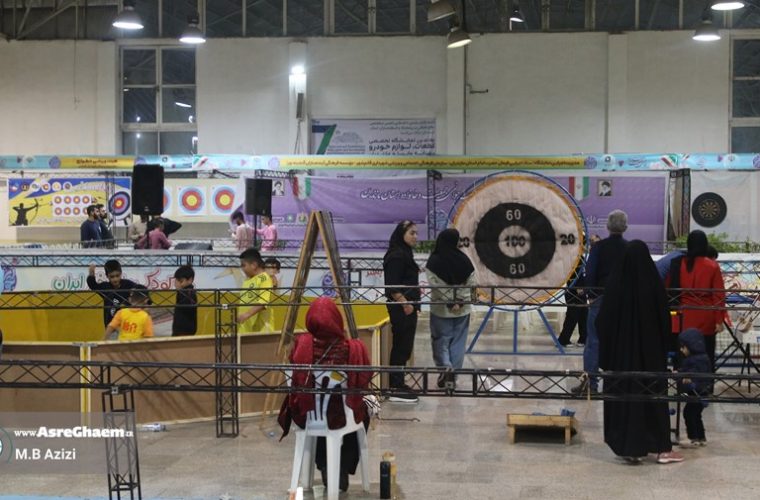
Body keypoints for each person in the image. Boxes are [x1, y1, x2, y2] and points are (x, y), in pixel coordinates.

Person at [597, 240, 684, 464]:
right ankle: (661, 449)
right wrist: (666, 348)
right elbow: (665, 321)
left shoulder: (615, 287)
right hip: (650, 357)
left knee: (623, 398)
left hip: (620, 360)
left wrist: (608, 353)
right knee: (653, 397)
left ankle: (628, 447)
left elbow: (602, 323)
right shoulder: (653, 286)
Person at [277, 297, 371, 493]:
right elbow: (363, 380)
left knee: (320, 413)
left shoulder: (300, 345)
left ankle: (324, 464)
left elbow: (294, 375)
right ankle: (342, 466)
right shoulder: (351, 348)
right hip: (341, 415)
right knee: (361, 412)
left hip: (307, 413)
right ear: (336, 318)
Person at [573, 210, 628, 394]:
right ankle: (617, 384)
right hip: (621, 300)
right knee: (620, 341)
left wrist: (591, 295)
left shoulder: (599, 247)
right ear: (625, 227)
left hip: (600, 298)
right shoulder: (629, 248)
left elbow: (590, 272)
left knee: (593, 341)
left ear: (607, 226)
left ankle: (591, 384)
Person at [666, 230, 726, 371]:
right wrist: (719, 320)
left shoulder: (679, 264)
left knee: (684, 355)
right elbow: (718, 295)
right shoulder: (712, 266)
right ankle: (705, 382)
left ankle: (684, 382)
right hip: (706, 317)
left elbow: (670, 289)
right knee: (706, 354)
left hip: (684, 318)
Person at [425, 228, 476, 388]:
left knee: (441, 340)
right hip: (462, 310)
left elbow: (436, 285)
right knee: (458, 342)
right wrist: (460, 301)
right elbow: (471, 283)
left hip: (441, 310)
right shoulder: (465, 260)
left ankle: (446, 368)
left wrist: (449, 301)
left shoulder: (433, 261)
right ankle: (453, 374)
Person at [383, 220, 421, 402]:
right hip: (401, 308)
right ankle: (395, 386)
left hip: (408, 307)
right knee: (400, 347)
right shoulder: (396, 255)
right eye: (412, 233)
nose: (415, 237)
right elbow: (392, 285)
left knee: (405, 347)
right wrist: (405, 304)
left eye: (416, 233)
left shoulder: (405, 253)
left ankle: (399, 383)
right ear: (402, 234)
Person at [677, 328, 712, 447]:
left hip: (698, 392)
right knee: (696, 415)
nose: (681, 350)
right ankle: (701, 437)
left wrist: (688, 378)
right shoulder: (700, 358)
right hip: (699, 392)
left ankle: (694, 437)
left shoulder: (697, 360)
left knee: (689, 413)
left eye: (683, 347)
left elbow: (696, 374)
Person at [87, 260, 140, 326]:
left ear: (121, 273)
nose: (115, 279)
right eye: (112, 277)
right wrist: (91, 274)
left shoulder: (128, 285)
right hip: (111, 325)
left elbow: (141, 291)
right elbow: (93, 286)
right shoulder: (105, 287)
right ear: (107, 276)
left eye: (117, 276)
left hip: (127, 324)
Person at [237, 248, 274, 333]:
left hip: (260, 332)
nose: (242, 268)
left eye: (243, 265)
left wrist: (246, 315)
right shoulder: (247, 280)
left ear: (254, 265)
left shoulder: (264, 278)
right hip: (245, 329)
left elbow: (263, 302)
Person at [557, 260, 587, 347]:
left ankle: (583, 339)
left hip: (580, 290)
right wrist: (577, 287)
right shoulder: (574, 258)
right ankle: (563, 340)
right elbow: (571, 273)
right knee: (572, 316)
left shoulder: (580, 258)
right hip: (575, 292)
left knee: (583, 315)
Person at [172, 265, 197, 336]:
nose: (177, 284)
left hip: (185, 332)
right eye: (176, 280)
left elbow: (186, 309)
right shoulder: (182, 292)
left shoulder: (189, 293)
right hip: (179, 331)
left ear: (190, 280)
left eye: (181, 281)